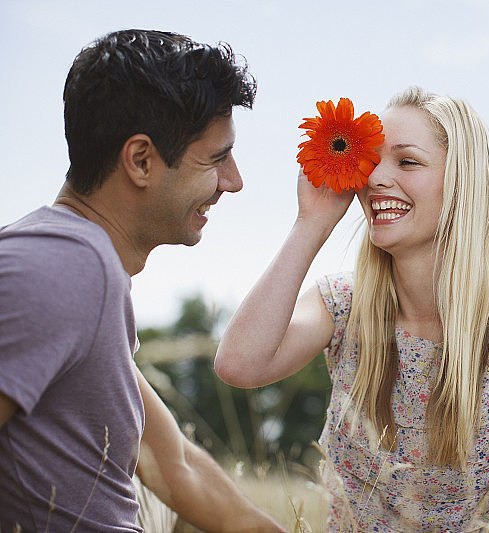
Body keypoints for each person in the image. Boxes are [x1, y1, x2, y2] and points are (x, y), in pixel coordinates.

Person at [215, 86, 489, 532]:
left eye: (407, 161)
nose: (374, 179)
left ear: (463, 182)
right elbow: (239, 365)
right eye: (372, 161)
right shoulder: (346, 306)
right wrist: (311, 223)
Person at [0, 29, 286, 532]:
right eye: (217, 158)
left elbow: (172, 463)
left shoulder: (83, 271)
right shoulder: (67, 268)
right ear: (140, 160)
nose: (234, 181)